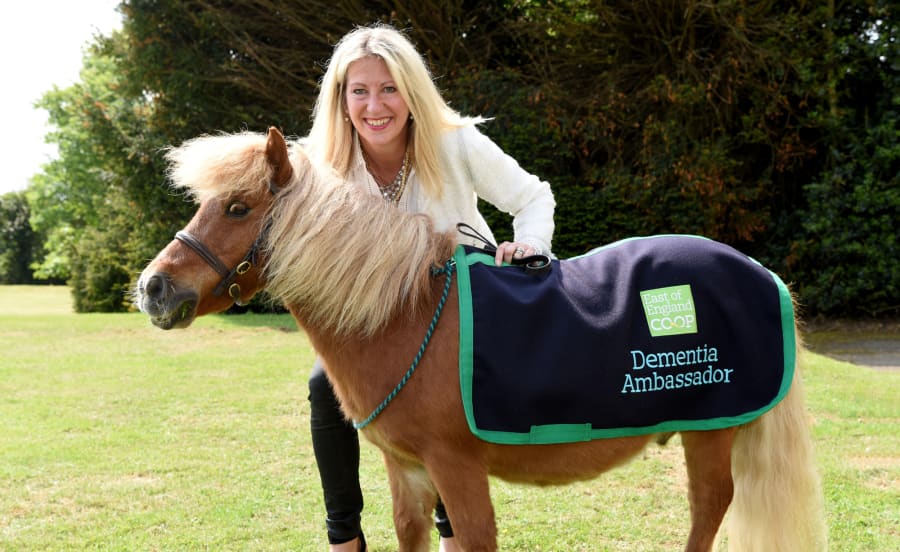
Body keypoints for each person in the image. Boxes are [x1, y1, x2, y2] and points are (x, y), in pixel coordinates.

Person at [302, 24, 555, 552]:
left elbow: (533, 198)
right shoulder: (321, 165)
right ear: (341, 98)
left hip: (465, 310)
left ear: (412, 92)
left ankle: (452, 534)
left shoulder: (455, 143)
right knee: (324, 387)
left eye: (389, 88)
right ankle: (343, 539)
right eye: (360, 90)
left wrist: (528, 246)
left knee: (442, 403)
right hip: (380, 325)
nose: (376, 105)